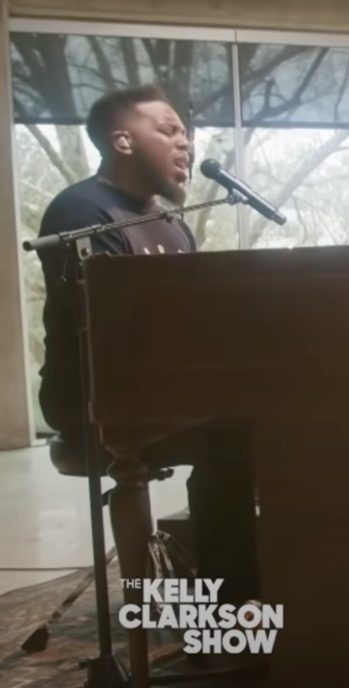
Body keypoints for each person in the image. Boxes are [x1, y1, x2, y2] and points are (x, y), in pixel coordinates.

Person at [35, 84, 259, 604]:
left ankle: (254, 586)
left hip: (165, 384)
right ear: (123, 141)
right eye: (168, 129)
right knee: (236, 435)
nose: (185, 143)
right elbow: (112, 329)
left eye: (186, 133)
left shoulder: (172, 225)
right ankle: (231, 606)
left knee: (284, 417)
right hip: (93, 393)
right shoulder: (80, 210)